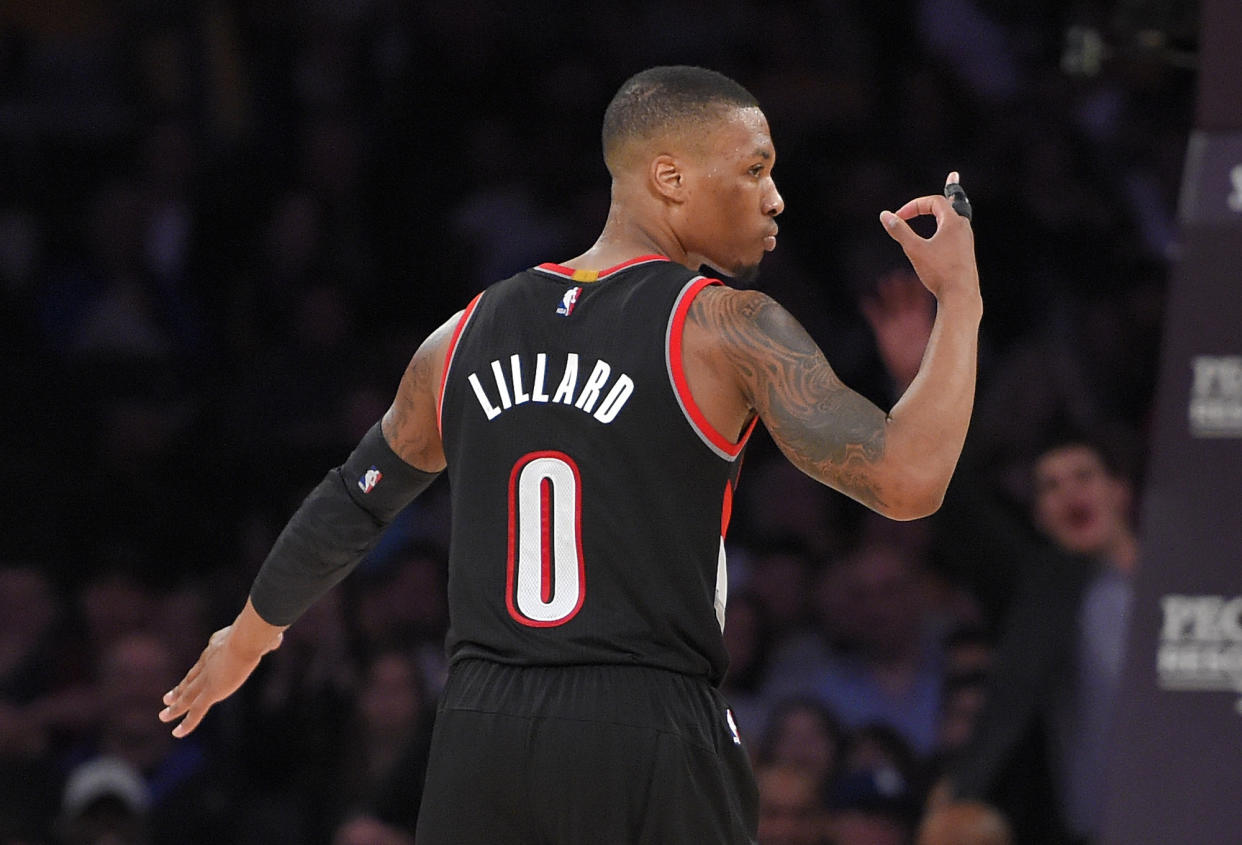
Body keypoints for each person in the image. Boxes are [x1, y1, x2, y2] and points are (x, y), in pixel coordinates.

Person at [159, 65, 981, 844]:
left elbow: (355, 497)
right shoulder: (723, 326)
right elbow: (908, 480)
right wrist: (961, 301)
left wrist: (249, 634)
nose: (775, 198)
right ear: (670, 177)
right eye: (754, 169)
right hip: (644, 718)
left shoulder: (461, 333)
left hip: (480, 728)